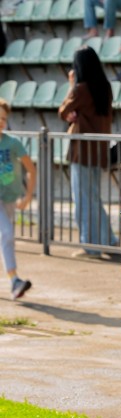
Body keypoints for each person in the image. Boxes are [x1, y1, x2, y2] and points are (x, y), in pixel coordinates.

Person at [58, 46, 119, 259]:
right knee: (93, 198)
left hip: (82, 152)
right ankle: (109, 241)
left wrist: (71, 85)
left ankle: (92, 246)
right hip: (98, 150)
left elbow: (63, 110)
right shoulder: (105, 87)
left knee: (84, 200)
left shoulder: (81, 89)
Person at [0, 99, 35, 300]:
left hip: (10, 198)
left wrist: (28, 195)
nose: (0, 122)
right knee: (6, 234)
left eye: (3, 118)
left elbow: (31, 170)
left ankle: (13, 282)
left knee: (6, 239)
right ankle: (14, 280)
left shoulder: (13, 143)